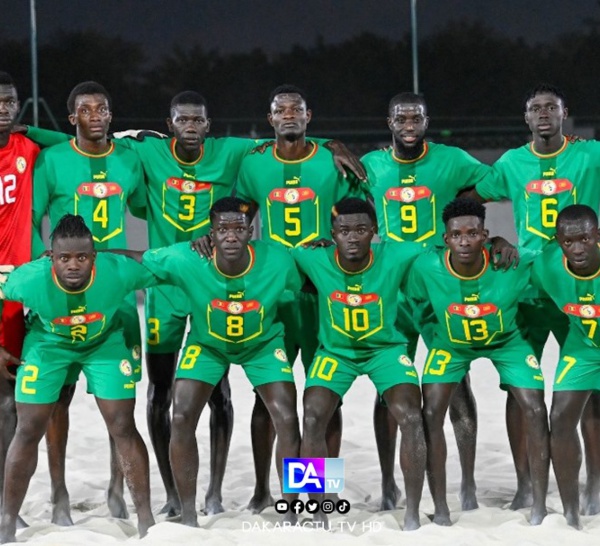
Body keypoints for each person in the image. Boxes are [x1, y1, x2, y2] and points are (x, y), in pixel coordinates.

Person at [24, 90, 366, 516]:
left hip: (285, 291)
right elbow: (84, 139)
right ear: (170, 124)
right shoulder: (156, 152)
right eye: (182, 120)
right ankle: (229, 492)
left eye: (198, 121)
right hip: (183, 282)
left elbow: (316, 156)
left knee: (314, 404)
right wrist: (26, 129)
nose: (190, 126)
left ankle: (306, 497)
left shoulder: (248, 154)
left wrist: (336, 144)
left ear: (209, 125)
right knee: (176, 395)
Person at [462, 83, 600, 513]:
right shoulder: (511, 163)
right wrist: (492, 236)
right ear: (526, 118)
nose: (543, 114)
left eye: (551, 107)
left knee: (588, 387)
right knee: (521, 387)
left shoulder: (589, 154)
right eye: (535, 108)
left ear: (564, 114)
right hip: (529, 285)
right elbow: (466, 195)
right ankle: (524, 483)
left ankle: (594, 481)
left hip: (579, 284)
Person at [234, 84, 367, 511]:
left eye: (297, 109)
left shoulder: (331, 162)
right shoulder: (253, 166)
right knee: (269, 398)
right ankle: (263, 489)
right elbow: (237, 226)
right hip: (272, 298)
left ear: (310, 116)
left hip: (320, 296)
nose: (289, 114)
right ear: (269, 118)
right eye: (280, 110)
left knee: (324, 397)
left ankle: (320, 493)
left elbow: (359, 221)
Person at [362, 91, 494, 511]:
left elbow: (490, 184)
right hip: (388, 294)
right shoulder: (370, 164)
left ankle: (467, 484)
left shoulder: (451, 159)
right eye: (400, 117)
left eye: (415, 117)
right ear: (388, 122)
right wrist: (332, 145)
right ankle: (382, 484)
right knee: (371, 394)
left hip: (440, 291)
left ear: (426, 120)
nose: (408, 123)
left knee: (454, 387)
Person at [140, 197, 302, 527]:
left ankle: (300, 509)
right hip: (208, 345)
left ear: (251, 231)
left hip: (264, 344)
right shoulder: (188, 257)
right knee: (182, 413)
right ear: (210, 234)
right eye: (222, 230)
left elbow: (316, 274)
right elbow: (138, 260)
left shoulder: (278, 259)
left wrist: (326, 248)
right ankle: (188, 514)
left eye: (239, 229)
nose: (231, 236)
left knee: (302, 413)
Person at [0, 214, 156, 544]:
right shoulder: (28, 279)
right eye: (65, 258)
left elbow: (162, 264)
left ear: (95, 257)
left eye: (82, 257)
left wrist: (206, 247)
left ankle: (146, 520)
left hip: (104, 345)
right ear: (50, 258)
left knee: (122, 425)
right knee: (28, 429)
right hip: (49, 346)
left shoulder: (117, 271)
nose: (73, 265)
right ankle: (7, 521)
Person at [32, 81, 146, 522]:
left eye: (103, 108)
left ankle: (318, 505)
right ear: (72, 117)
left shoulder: (131, 158)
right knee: (57, 400)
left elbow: (219, 153)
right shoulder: (55, 159)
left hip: (119, 297)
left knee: (301, 404)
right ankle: (58, 494)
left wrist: (330, 142)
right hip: (64, 297)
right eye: (86, 109)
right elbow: (31, 222)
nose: (96, 114)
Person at [406, 198, 549, 526]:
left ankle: (532, 497)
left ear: (485, 234)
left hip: (505, 342)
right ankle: (314, 501)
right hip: (345, 344)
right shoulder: (372, 167)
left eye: (474, 234)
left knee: (542, 406)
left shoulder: (452, 161)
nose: (465, 241)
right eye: (458, 235)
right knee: (315, 412)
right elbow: (379, 260)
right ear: (445, 238)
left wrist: (502, 240)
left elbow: (560, 261)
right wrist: (320, 252)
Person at [293, 197, 426, 530]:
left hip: (385, 350)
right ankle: (321, 507)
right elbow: (266, 257)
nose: (352, 238)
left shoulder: (398, 253)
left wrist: (496, 241)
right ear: (332, 234)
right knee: (311, 416)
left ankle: (410, 510)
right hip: (336, 352)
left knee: (411, 415)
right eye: (344, 231)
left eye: (361, 230)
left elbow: (448, 249)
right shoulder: (312, 256)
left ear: (375, 231)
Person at [532, 204, 600, 529]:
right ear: (558, 240)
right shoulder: (546, 265)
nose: (577, 249)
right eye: (568, 242)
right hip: (583, 349)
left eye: (584, 239)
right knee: (559, 418)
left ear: (597, 235)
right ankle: (572, 512)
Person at [0, 71, 39, 528]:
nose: (6, 108)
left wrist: (132, 135)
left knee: (301, 408)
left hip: (291, 308)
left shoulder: (29, 148)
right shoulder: (255, 159)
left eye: (11, 101)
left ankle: (312, 507)